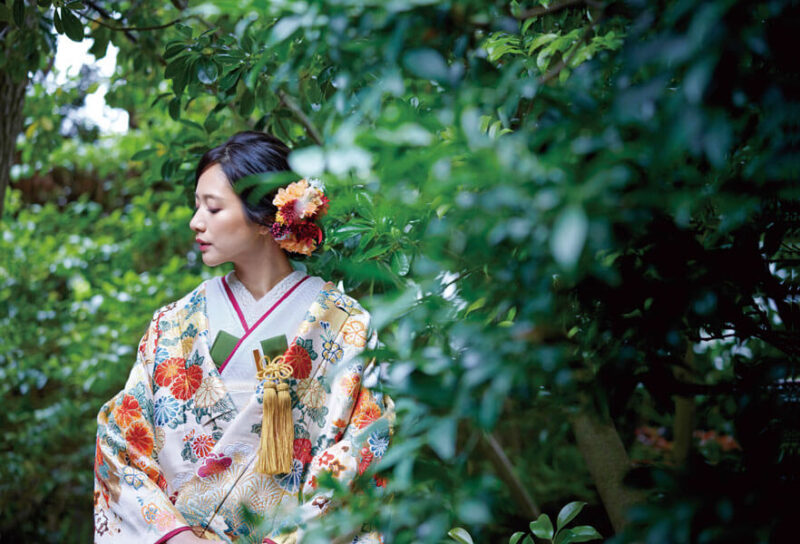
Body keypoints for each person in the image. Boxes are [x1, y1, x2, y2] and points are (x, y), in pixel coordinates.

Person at [93, 131, 392, 544]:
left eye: (213, 208)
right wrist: (174, 535)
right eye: (196, 206)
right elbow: (120, 441)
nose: (196, 221)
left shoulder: (343, 326)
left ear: (266, 217)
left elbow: (362, 448)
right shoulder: (174, 323)